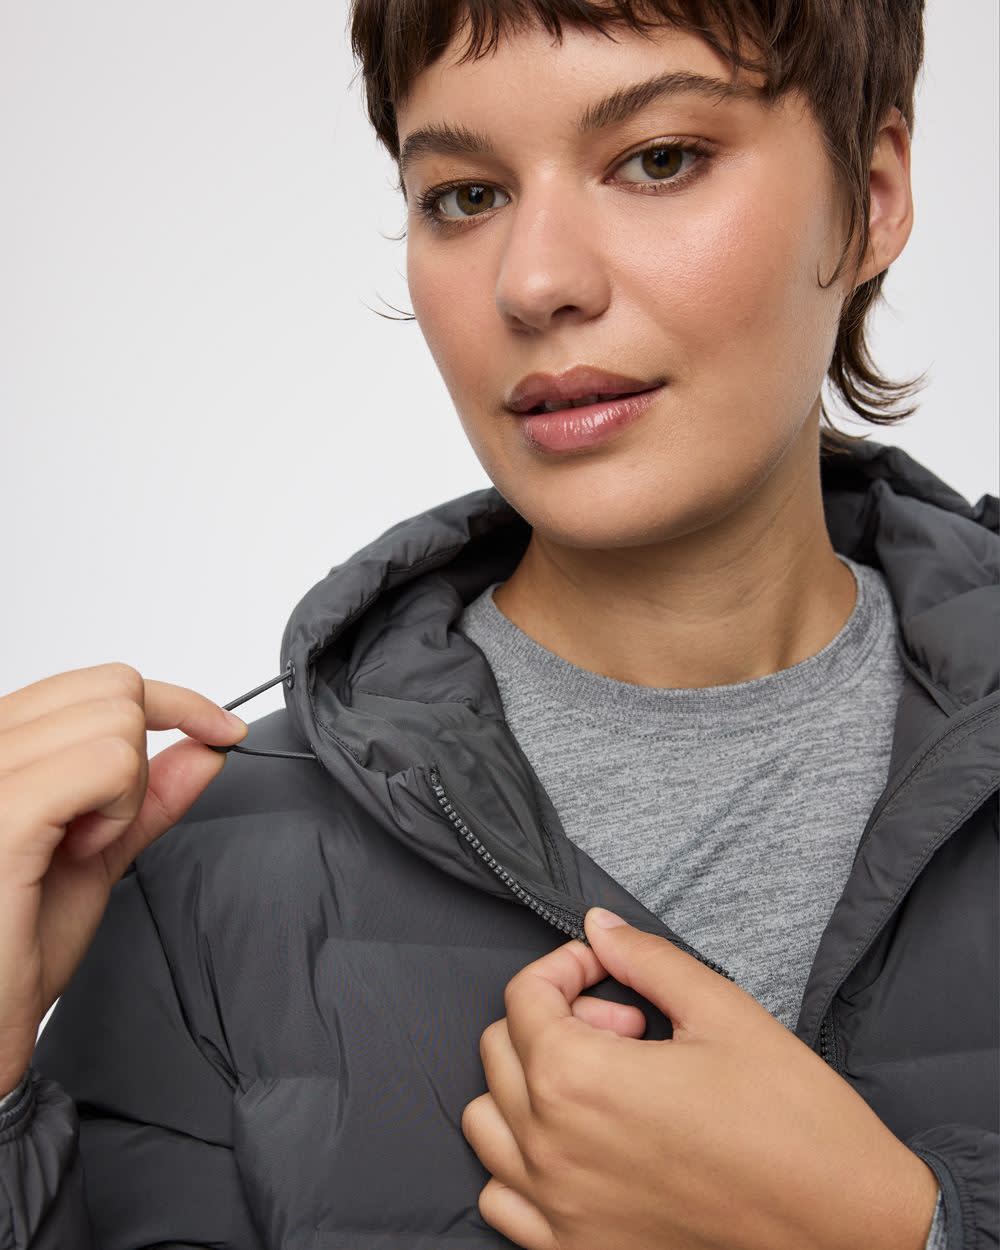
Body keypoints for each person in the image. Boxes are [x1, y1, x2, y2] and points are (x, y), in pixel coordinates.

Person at [0, 1, 996, 1247]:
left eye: (658, 159)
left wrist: (900, 1229)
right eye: (464, 196)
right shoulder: (198, 873)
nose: (534, 282)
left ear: (872, 196)